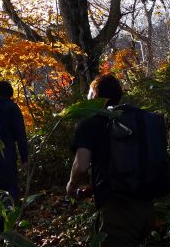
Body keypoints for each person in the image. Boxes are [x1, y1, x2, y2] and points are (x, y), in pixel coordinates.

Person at [66, 74, 155, 247]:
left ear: (94, 96)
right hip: (147, 205)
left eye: (90, 93)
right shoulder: (137, 119)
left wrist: (71, 185)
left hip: (118, 210)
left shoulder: (90, 124)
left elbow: (81, 166)